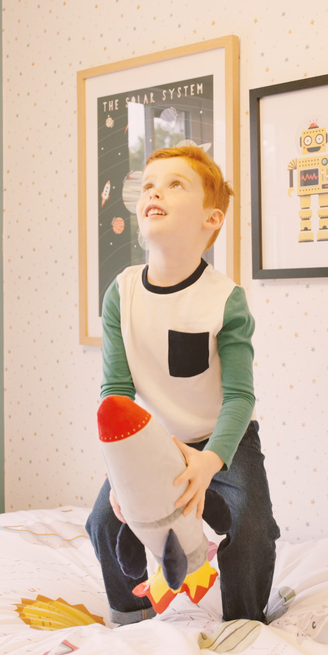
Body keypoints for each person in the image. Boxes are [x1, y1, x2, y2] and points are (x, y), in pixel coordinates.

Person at [86, 143, 280, 626]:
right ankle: (131, 615)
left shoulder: (226, 300)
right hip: (156, 440)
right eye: (149, 184)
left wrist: (210, 461)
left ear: (211, 220)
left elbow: (240, 397)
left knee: (252, 527)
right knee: (102, 521)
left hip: (226, 440)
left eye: (175, 184)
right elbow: (115, 392)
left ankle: (244, 622)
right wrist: (122, 468)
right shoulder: (121, 293)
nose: (155, 191)